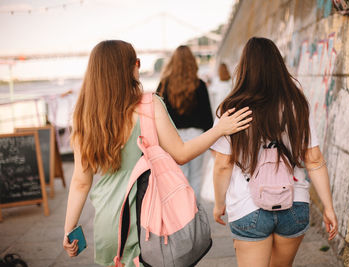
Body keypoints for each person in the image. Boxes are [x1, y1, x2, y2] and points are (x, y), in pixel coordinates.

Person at [62, 40, 252, 267]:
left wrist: (69, 229)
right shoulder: (149, 105)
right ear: (129, 68)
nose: (139, 68)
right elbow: (181, 153)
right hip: (149, 221)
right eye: (137, 63)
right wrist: (220, 129)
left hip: (109, 223)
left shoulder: (83, 117)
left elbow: (81, 183)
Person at [211, 37, 338, 267]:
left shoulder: (232, 108)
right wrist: (328, 207)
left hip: (249, 206)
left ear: (244, 68)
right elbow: (314, 159)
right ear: (278, 65)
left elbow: (222, 164)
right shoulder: (296, 104)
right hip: (294, 203)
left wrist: (219, 203)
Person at [157, 45, 214, 198]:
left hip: (173, 136)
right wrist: (212, 143)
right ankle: (194, 214)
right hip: (197, 136)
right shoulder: (200, 85)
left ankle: (182, 214)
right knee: (196, 177)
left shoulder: (164, 85)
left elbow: (158, 113)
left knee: (179, 177)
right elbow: (207, 117)